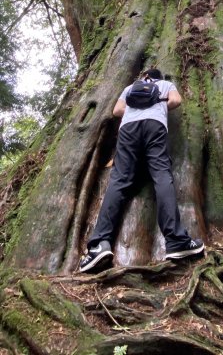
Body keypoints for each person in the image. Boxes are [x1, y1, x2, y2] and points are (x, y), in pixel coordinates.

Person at [79, 68, 204, 272]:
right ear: (159, 78)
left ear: (144, 77)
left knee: (118, 181)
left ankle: (99, 245)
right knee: (162, 176)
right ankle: (176, 241)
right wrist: (160, 106)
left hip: (128, 129)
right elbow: (176, 101)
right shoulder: (165, 85)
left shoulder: (130, 88)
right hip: (155, 126)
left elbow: (117, 111)